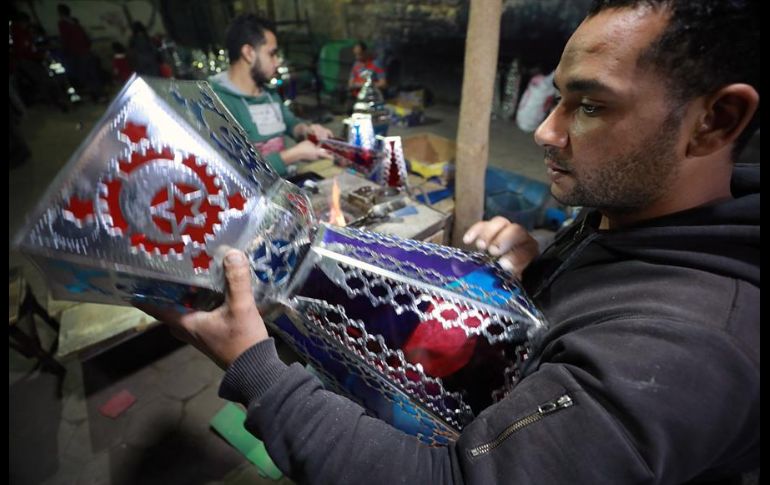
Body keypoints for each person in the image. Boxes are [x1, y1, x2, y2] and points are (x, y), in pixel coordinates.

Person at [144, 1, 759, 483]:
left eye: (591, 106)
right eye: (560, 97)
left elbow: (451, 478)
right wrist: (541, 260)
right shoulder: (639, 213)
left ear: (715, 121)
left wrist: (256, 369)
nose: (545, 131)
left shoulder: (680, 356)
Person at [209, 14, 332, 177]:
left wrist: (307, 131)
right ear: (249, 53)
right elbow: (237, 168)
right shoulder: (218, 102)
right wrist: (293, 155)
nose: (277, 62)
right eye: (271, 54)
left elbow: (290, 123)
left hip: (284, 184)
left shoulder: (269, 93)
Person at [57, 3, 105, 102]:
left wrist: (65, 52)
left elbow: (65, 40)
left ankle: (96, 95)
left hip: (77, 54)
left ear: (60, 13)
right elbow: (86, 38)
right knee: (93, 75)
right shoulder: (76, 23)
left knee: (84, 76)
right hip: (86, 52)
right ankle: (101, 95)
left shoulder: (63, 24)